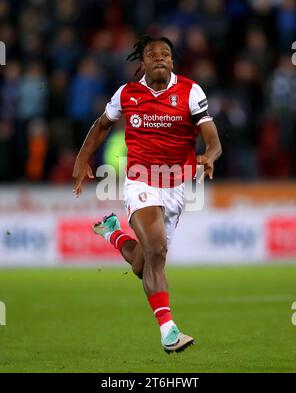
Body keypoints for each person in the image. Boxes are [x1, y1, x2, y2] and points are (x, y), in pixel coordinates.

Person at [72, 36, 222, 354]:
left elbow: (212, 139)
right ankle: (169, 331)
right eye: (152, 54)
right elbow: (101, 125)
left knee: (143, 264)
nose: (160, 58)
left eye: (166, 54)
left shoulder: (190, 91)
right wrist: (82, 158)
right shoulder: (127, 94)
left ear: (172, 61)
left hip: (176, 186)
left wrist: (209, 156)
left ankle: (112, 232)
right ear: (142, 62)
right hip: (141, 181)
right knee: (156, 250)